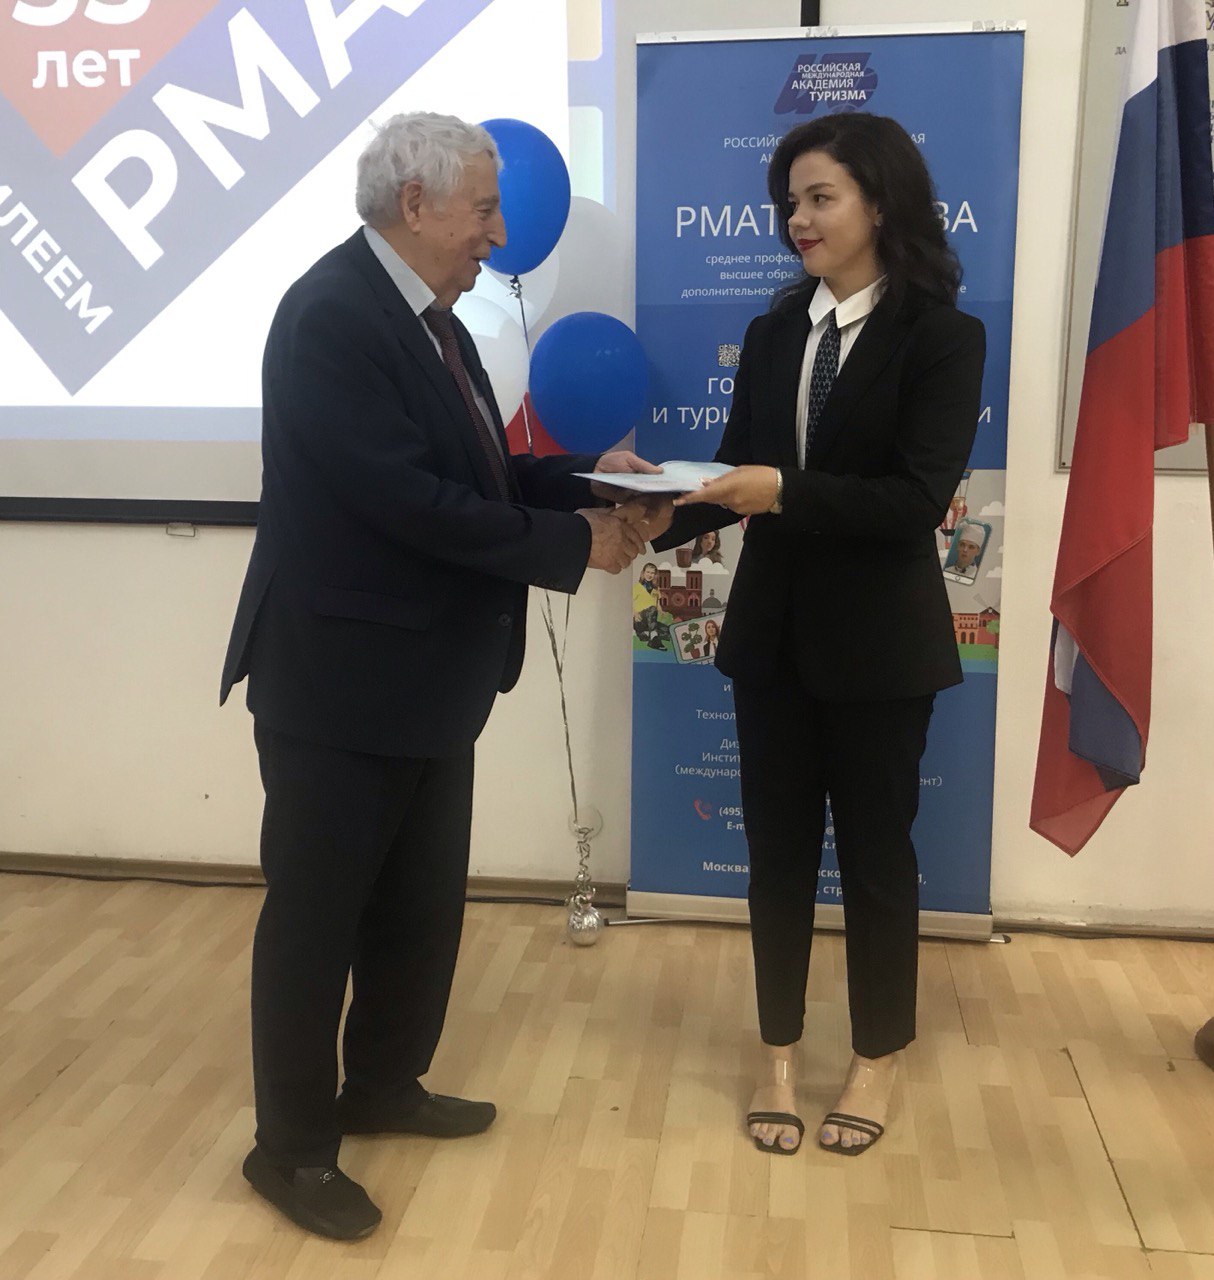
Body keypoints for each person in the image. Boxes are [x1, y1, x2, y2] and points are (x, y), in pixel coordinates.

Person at [219, 112, 656, 1240]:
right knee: (317, 920)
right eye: (484, 209)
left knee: (418, 905)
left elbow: (478, 473)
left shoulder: (431, 321)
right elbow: (407, 503)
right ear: (414, 205)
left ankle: (382, 1085)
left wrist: (587, 480)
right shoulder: (331, 317)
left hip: (424, 674)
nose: (498, 234)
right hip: (339, 681)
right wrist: (575, 547)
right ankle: (290, 1148)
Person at [656, 112, 986, 1157]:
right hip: (773, 645)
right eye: (788, 202)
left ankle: (877, 1054)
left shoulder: (943, 337)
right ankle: (778, 1053)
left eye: (818, 198)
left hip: (882, 650)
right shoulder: (771, 334)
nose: (796, 218)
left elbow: (913, 499)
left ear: (878, 203)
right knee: (776, 858)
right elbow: (732, 474)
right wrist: (643, 503)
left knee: (879, 859)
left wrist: (784, 491)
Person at [633, 561, 667, 649]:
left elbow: (657, 604)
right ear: (643, 573)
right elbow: (628, 602)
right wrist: (635, 613)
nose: (650, 575)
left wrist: (661, 612)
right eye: (648, 572)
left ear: (655, 575)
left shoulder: (656, 589)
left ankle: (645, 635)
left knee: (667, 631)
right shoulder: (637, 587)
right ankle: (653, 640)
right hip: (640, 619)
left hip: (651, 620)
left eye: (652, 573)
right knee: (652, 609)